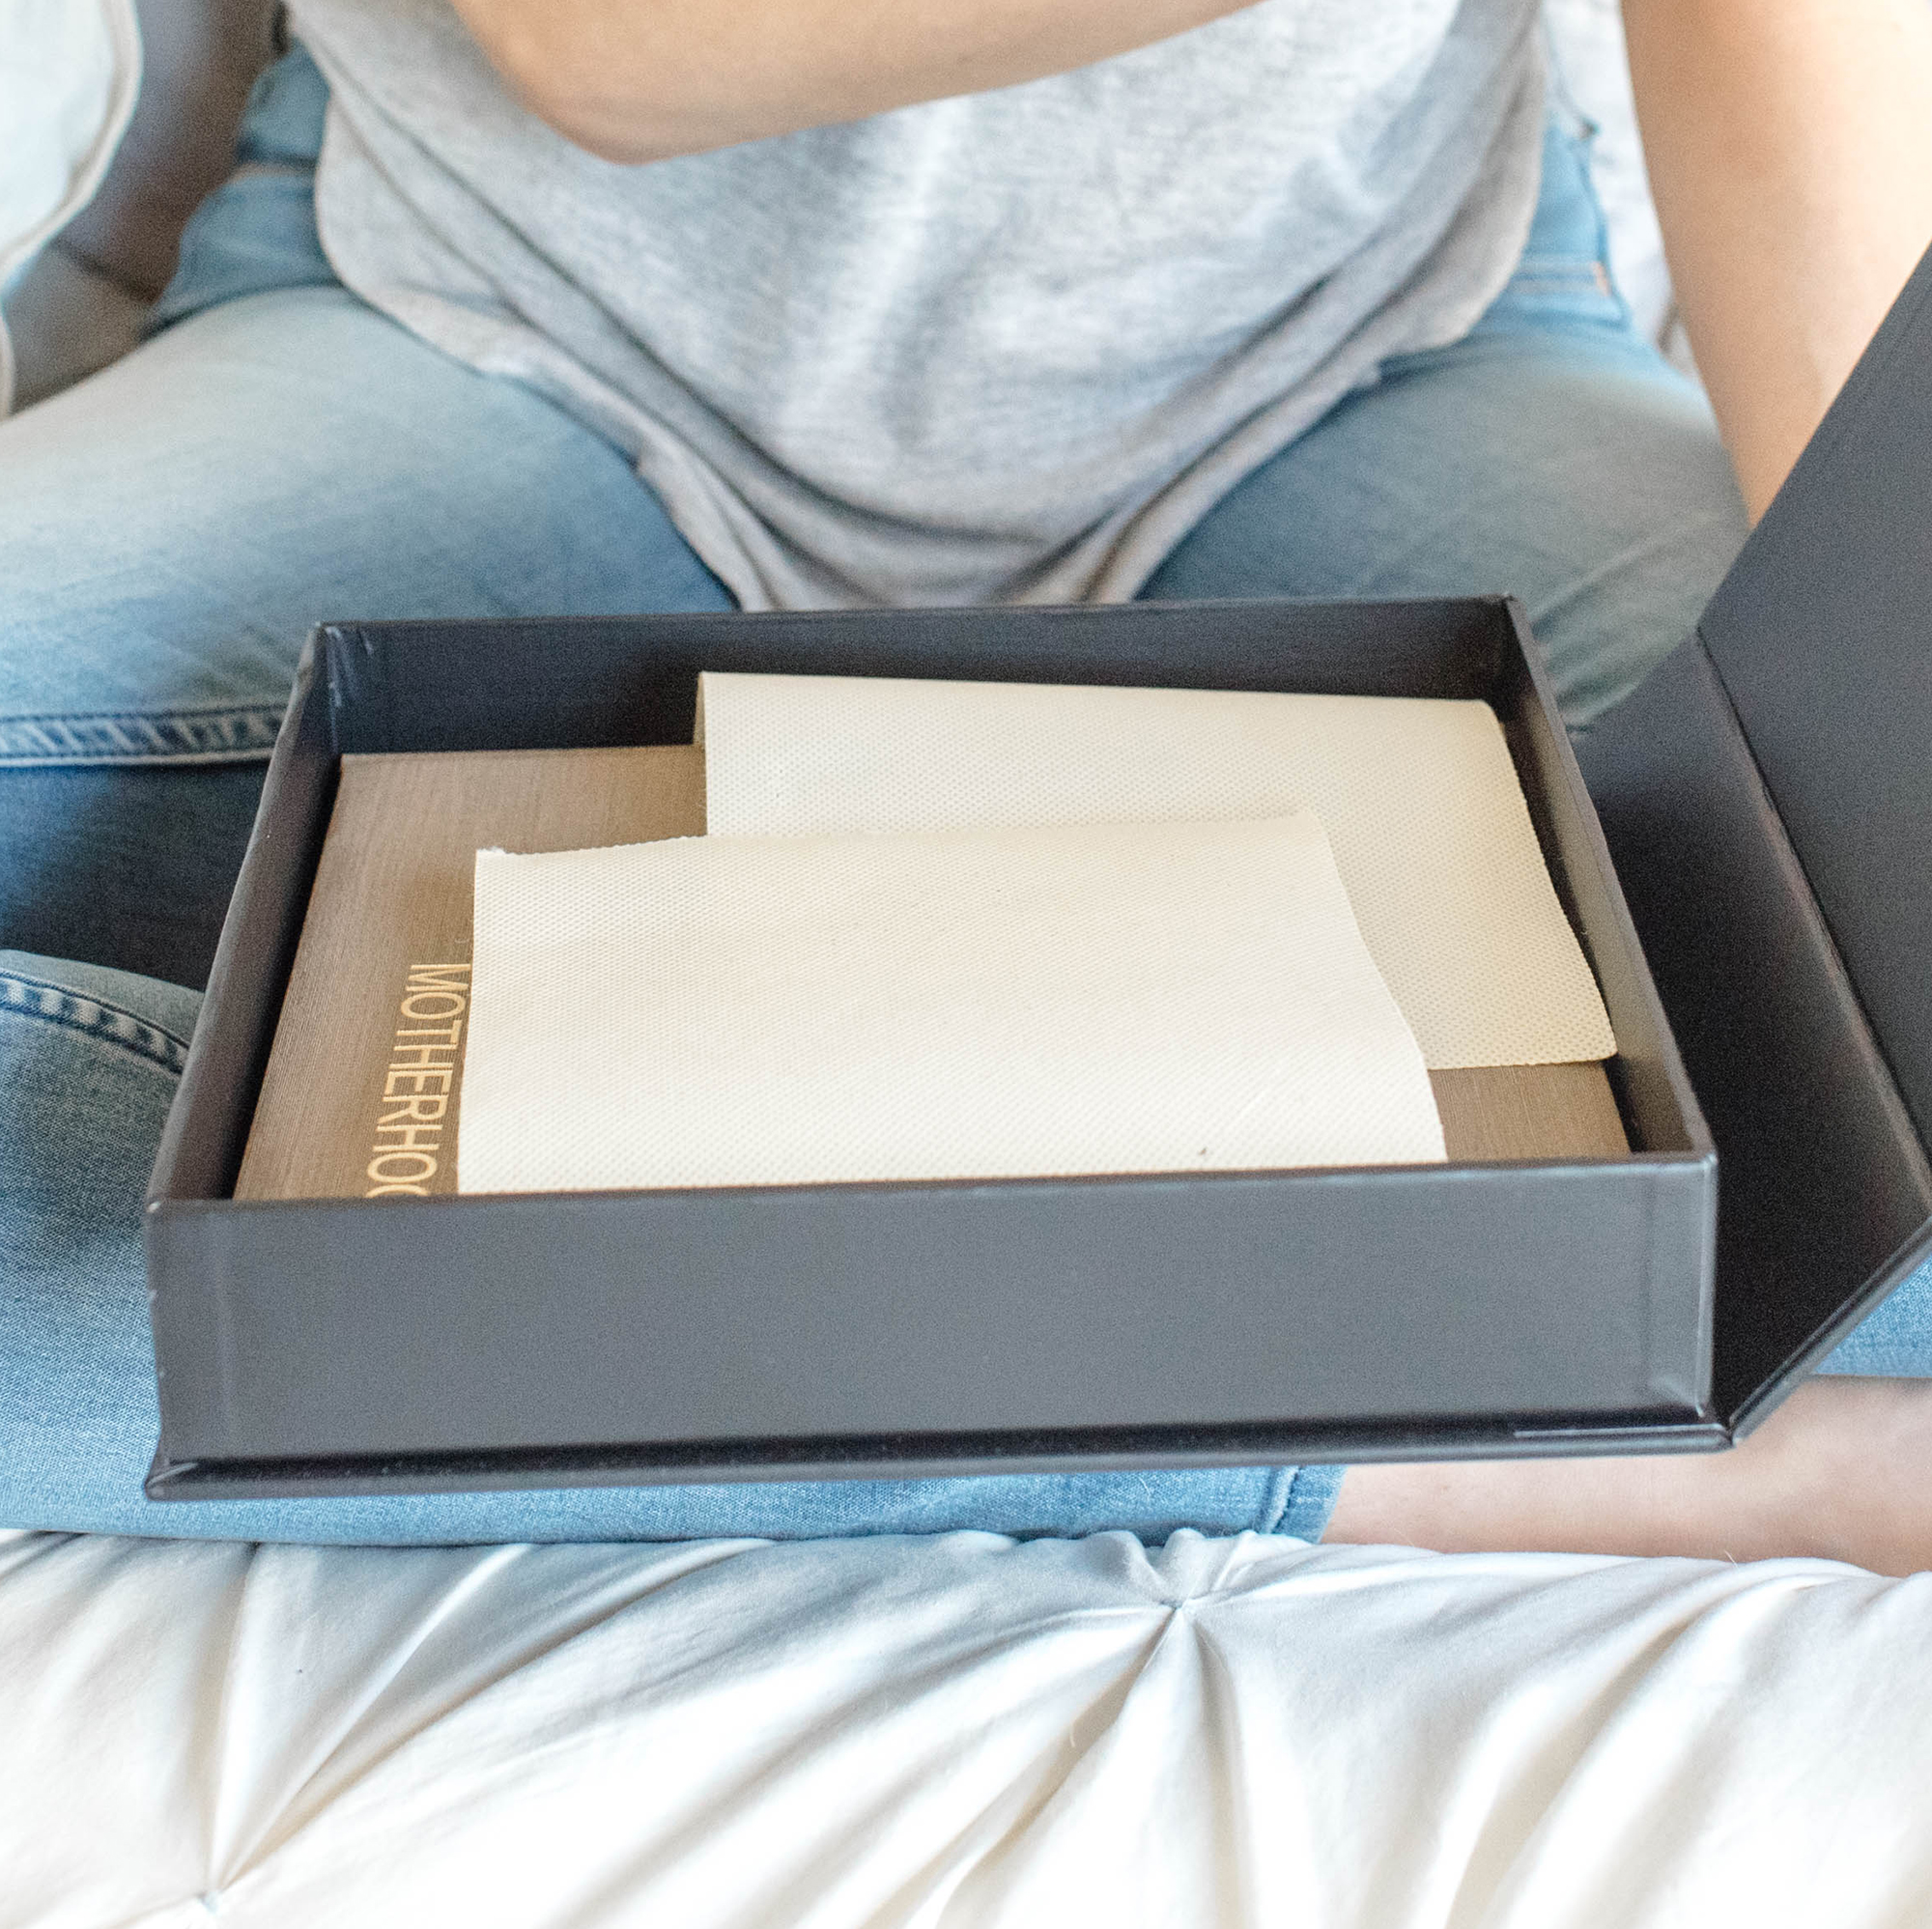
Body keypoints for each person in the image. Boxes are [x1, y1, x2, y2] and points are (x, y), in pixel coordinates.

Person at [4, 0, 1931, 1567]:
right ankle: (1482, 1462)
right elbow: (605, 47)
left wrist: (1867, 719)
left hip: (1358, 363)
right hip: (483, 347)